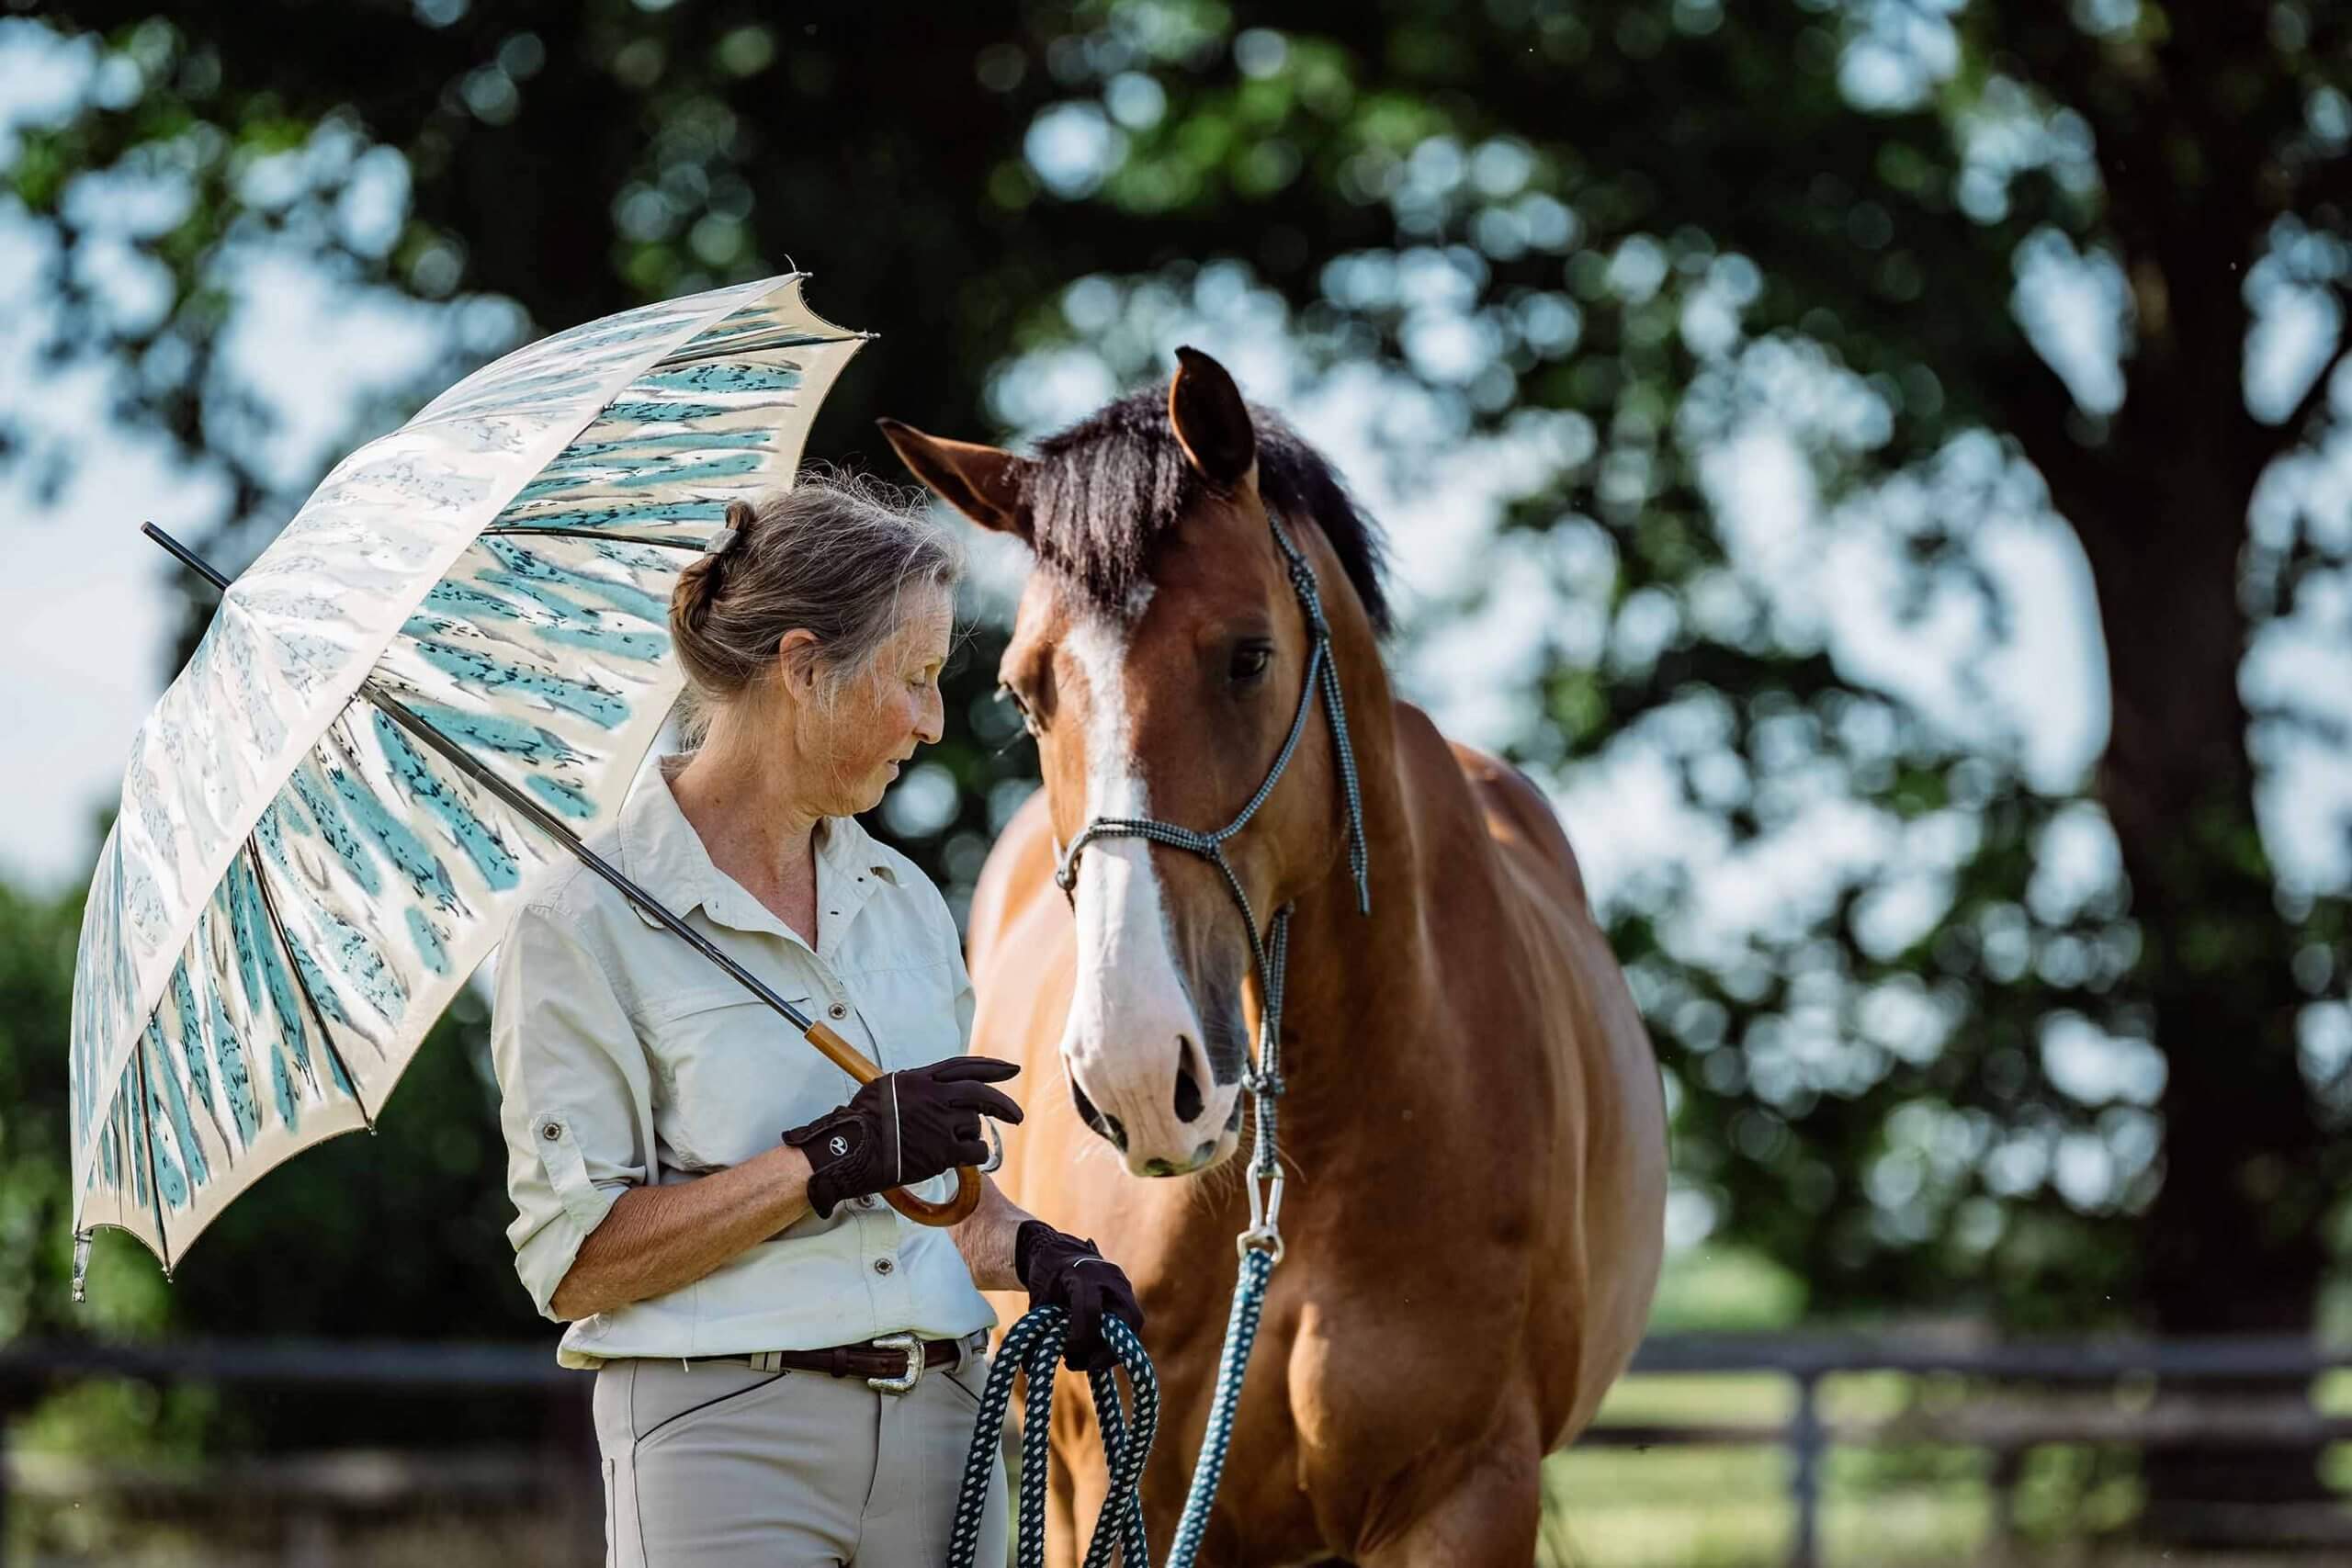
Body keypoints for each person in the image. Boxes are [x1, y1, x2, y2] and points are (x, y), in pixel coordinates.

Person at [489, 473, 1143, 1566]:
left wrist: (1036, 1252)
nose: (934, 723)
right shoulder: (581, 922)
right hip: (722, 1442)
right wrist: (825, 1158)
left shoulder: (906, 906)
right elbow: (579, 1266)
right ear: (804, 669)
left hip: (946, 1426)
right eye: (915, 679)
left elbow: (934, 1196)